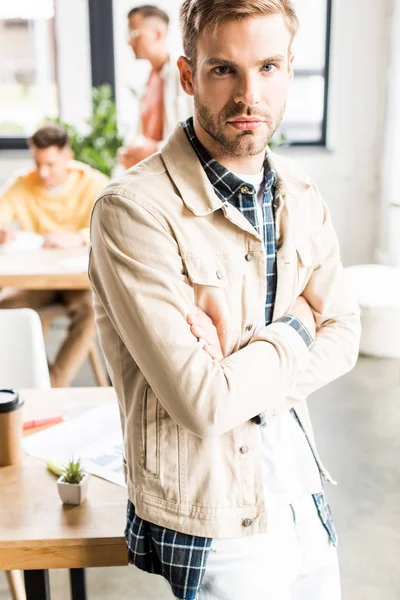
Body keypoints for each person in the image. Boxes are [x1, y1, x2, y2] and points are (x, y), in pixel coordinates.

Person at [89, 1, 361, 598]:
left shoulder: (300, 190)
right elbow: (202, 404)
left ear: (290, 67)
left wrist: (237, 371)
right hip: (218, 522)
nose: (248, 95)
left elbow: (345, 334)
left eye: (267, 66)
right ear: (187, 75)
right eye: (223, 70)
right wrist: (297, 325)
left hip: (301, 494)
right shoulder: (132, 212)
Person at [0, 124, 108, 387]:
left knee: (93, 311)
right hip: (38, 280)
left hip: (80, 279)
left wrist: (80, 236)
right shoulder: (23, 184)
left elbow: (113, 227)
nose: (43, 172)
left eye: (50, 164)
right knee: (4, 310)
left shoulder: (94, 183)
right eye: (38, 164)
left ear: (67, 157)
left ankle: (53, 386)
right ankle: (36, 378)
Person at [118, 4, 192, 169]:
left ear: (158, 34)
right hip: (155, 169)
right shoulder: (148, 79)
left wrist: (154, 150)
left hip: (177, 168)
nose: (130, 41)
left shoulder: (185, 75)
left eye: (134, 34)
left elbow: (195, 132)